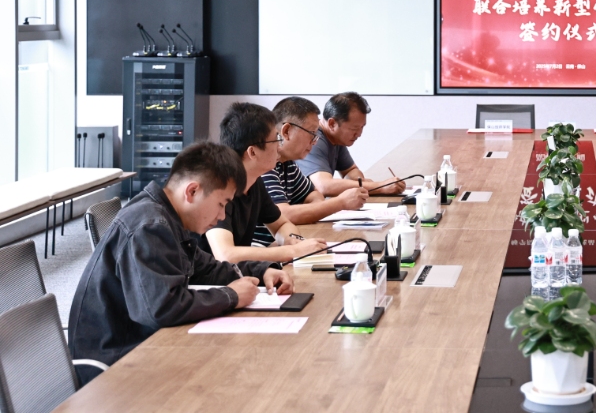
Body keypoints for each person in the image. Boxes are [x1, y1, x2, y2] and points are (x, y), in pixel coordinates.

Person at [68, 142, 294, 383]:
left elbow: (207, 269)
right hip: (115, 362)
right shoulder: (150, 226)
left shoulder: (168, 218)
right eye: (221, 204)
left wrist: (262, 271)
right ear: (192, 191)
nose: (221, 216)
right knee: (235, 371)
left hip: (142, 342)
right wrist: (231, 296)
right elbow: (162, 308)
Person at [203, 102, 326, 263]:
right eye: (275, 140)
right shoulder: (219, 185)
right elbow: (226, 255)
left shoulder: (254, 182)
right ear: (252, 152)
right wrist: (292, 251)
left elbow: (281, 225)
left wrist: (290, 240)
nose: (279, 146)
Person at [252, 96, 370, 245]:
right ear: (286, 131)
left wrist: (313, 209)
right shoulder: (265, 166)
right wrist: (340, 202)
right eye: (312, 134)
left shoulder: (288, 163)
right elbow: (283, 214)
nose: (314, 142)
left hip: (282, 245)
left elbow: (314, 194)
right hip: (262, 251)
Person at [295, 92, 406, 197]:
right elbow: (323, 186)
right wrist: (379, 187)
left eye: (362, 127)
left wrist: (359, 182)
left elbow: (351, 170)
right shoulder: (314, 140)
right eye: (354, 128)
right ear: (332, 124)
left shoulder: (336, 138)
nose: (359, 134)